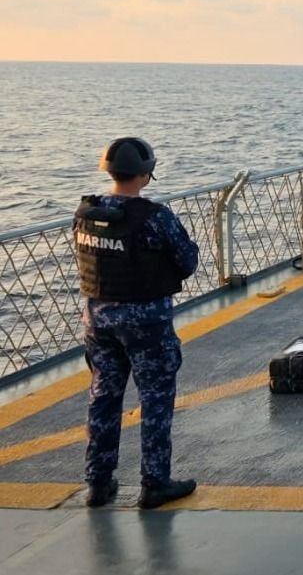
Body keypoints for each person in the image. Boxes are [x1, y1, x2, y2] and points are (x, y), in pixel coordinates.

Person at [73, 136, 200, 509]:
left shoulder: (85, 213)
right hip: (147, 324)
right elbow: (188, 261)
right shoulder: (155, 217)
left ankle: (98, 482)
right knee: (156, 402)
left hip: (99, 322)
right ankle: (155, 482)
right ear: (147, 173)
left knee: (103, 399)